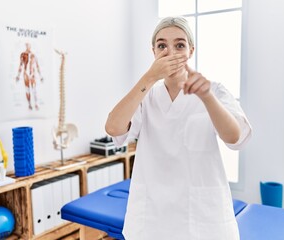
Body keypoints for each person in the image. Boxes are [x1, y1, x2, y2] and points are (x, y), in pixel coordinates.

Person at [105, 16, 252, 240]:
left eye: (179, 45)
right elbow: (113, 128)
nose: (170, 52)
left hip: (201, 218)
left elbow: (235, 137)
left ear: (191, 50)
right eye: (162, 45)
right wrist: (149, 77)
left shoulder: (214, 90)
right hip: (152, 217)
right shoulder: (145, 95)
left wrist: (207, 98)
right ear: (153, 51)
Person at [15, 42, 43, 110]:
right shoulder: (23, 54)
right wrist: (18, 75)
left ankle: (36, 104)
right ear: (26, 46)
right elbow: (21, 65)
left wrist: (40, 76)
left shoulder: (33, 55)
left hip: (32, 73)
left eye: (29, 45)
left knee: (34, 89)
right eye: (27, 45)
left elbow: (37, 65)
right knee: (27, 90)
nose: (28, 47)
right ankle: (29, 104)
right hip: (26, 74)